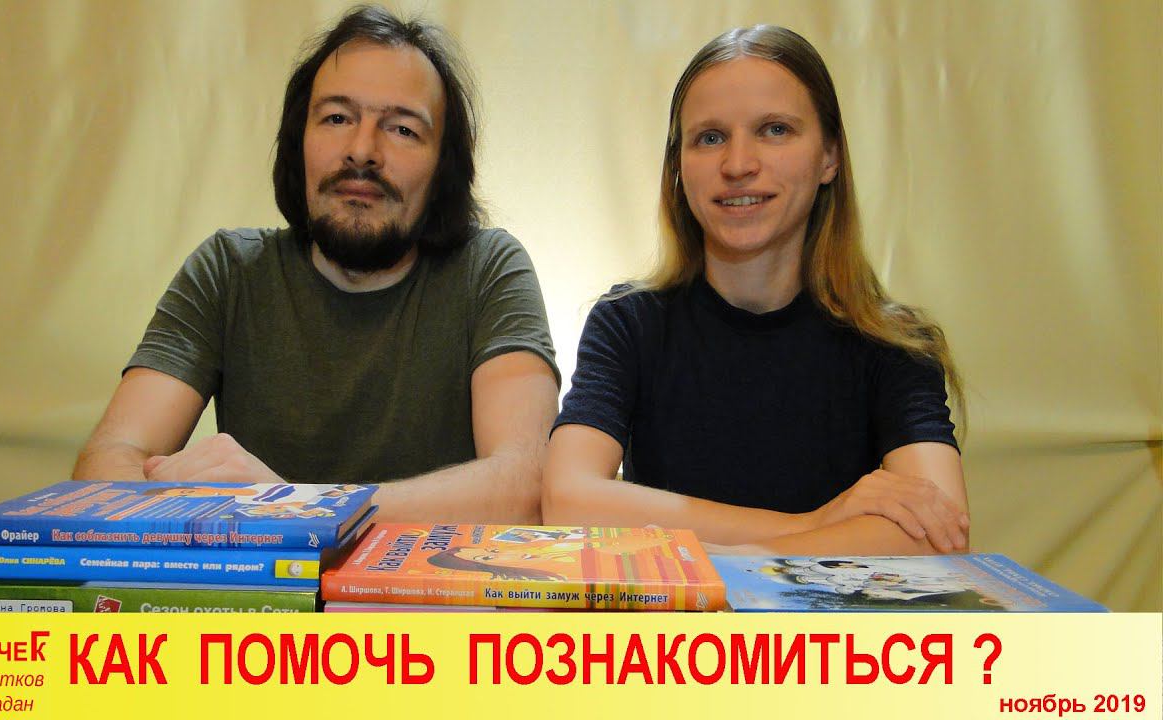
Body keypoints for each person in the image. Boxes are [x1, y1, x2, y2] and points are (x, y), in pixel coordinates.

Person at [72, 6, 560, 525]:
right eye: (336, 118)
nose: (362, 151)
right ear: (297, 141)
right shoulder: (228, 270)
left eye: (401, 129)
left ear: (445, 167)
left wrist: (298, 507)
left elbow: (526, 484)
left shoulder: (488, 269)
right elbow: (101, 468)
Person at [542, 25, 969, 554]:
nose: (738, 165)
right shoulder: (628, 321)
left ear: (830, 156)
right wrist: (817, 524)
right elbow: (567, 501)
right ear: (678, 167)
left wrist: (735, 556)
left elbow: (939, 534)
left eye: (775, 130)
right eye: (710, 137)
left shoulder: (894, 342)